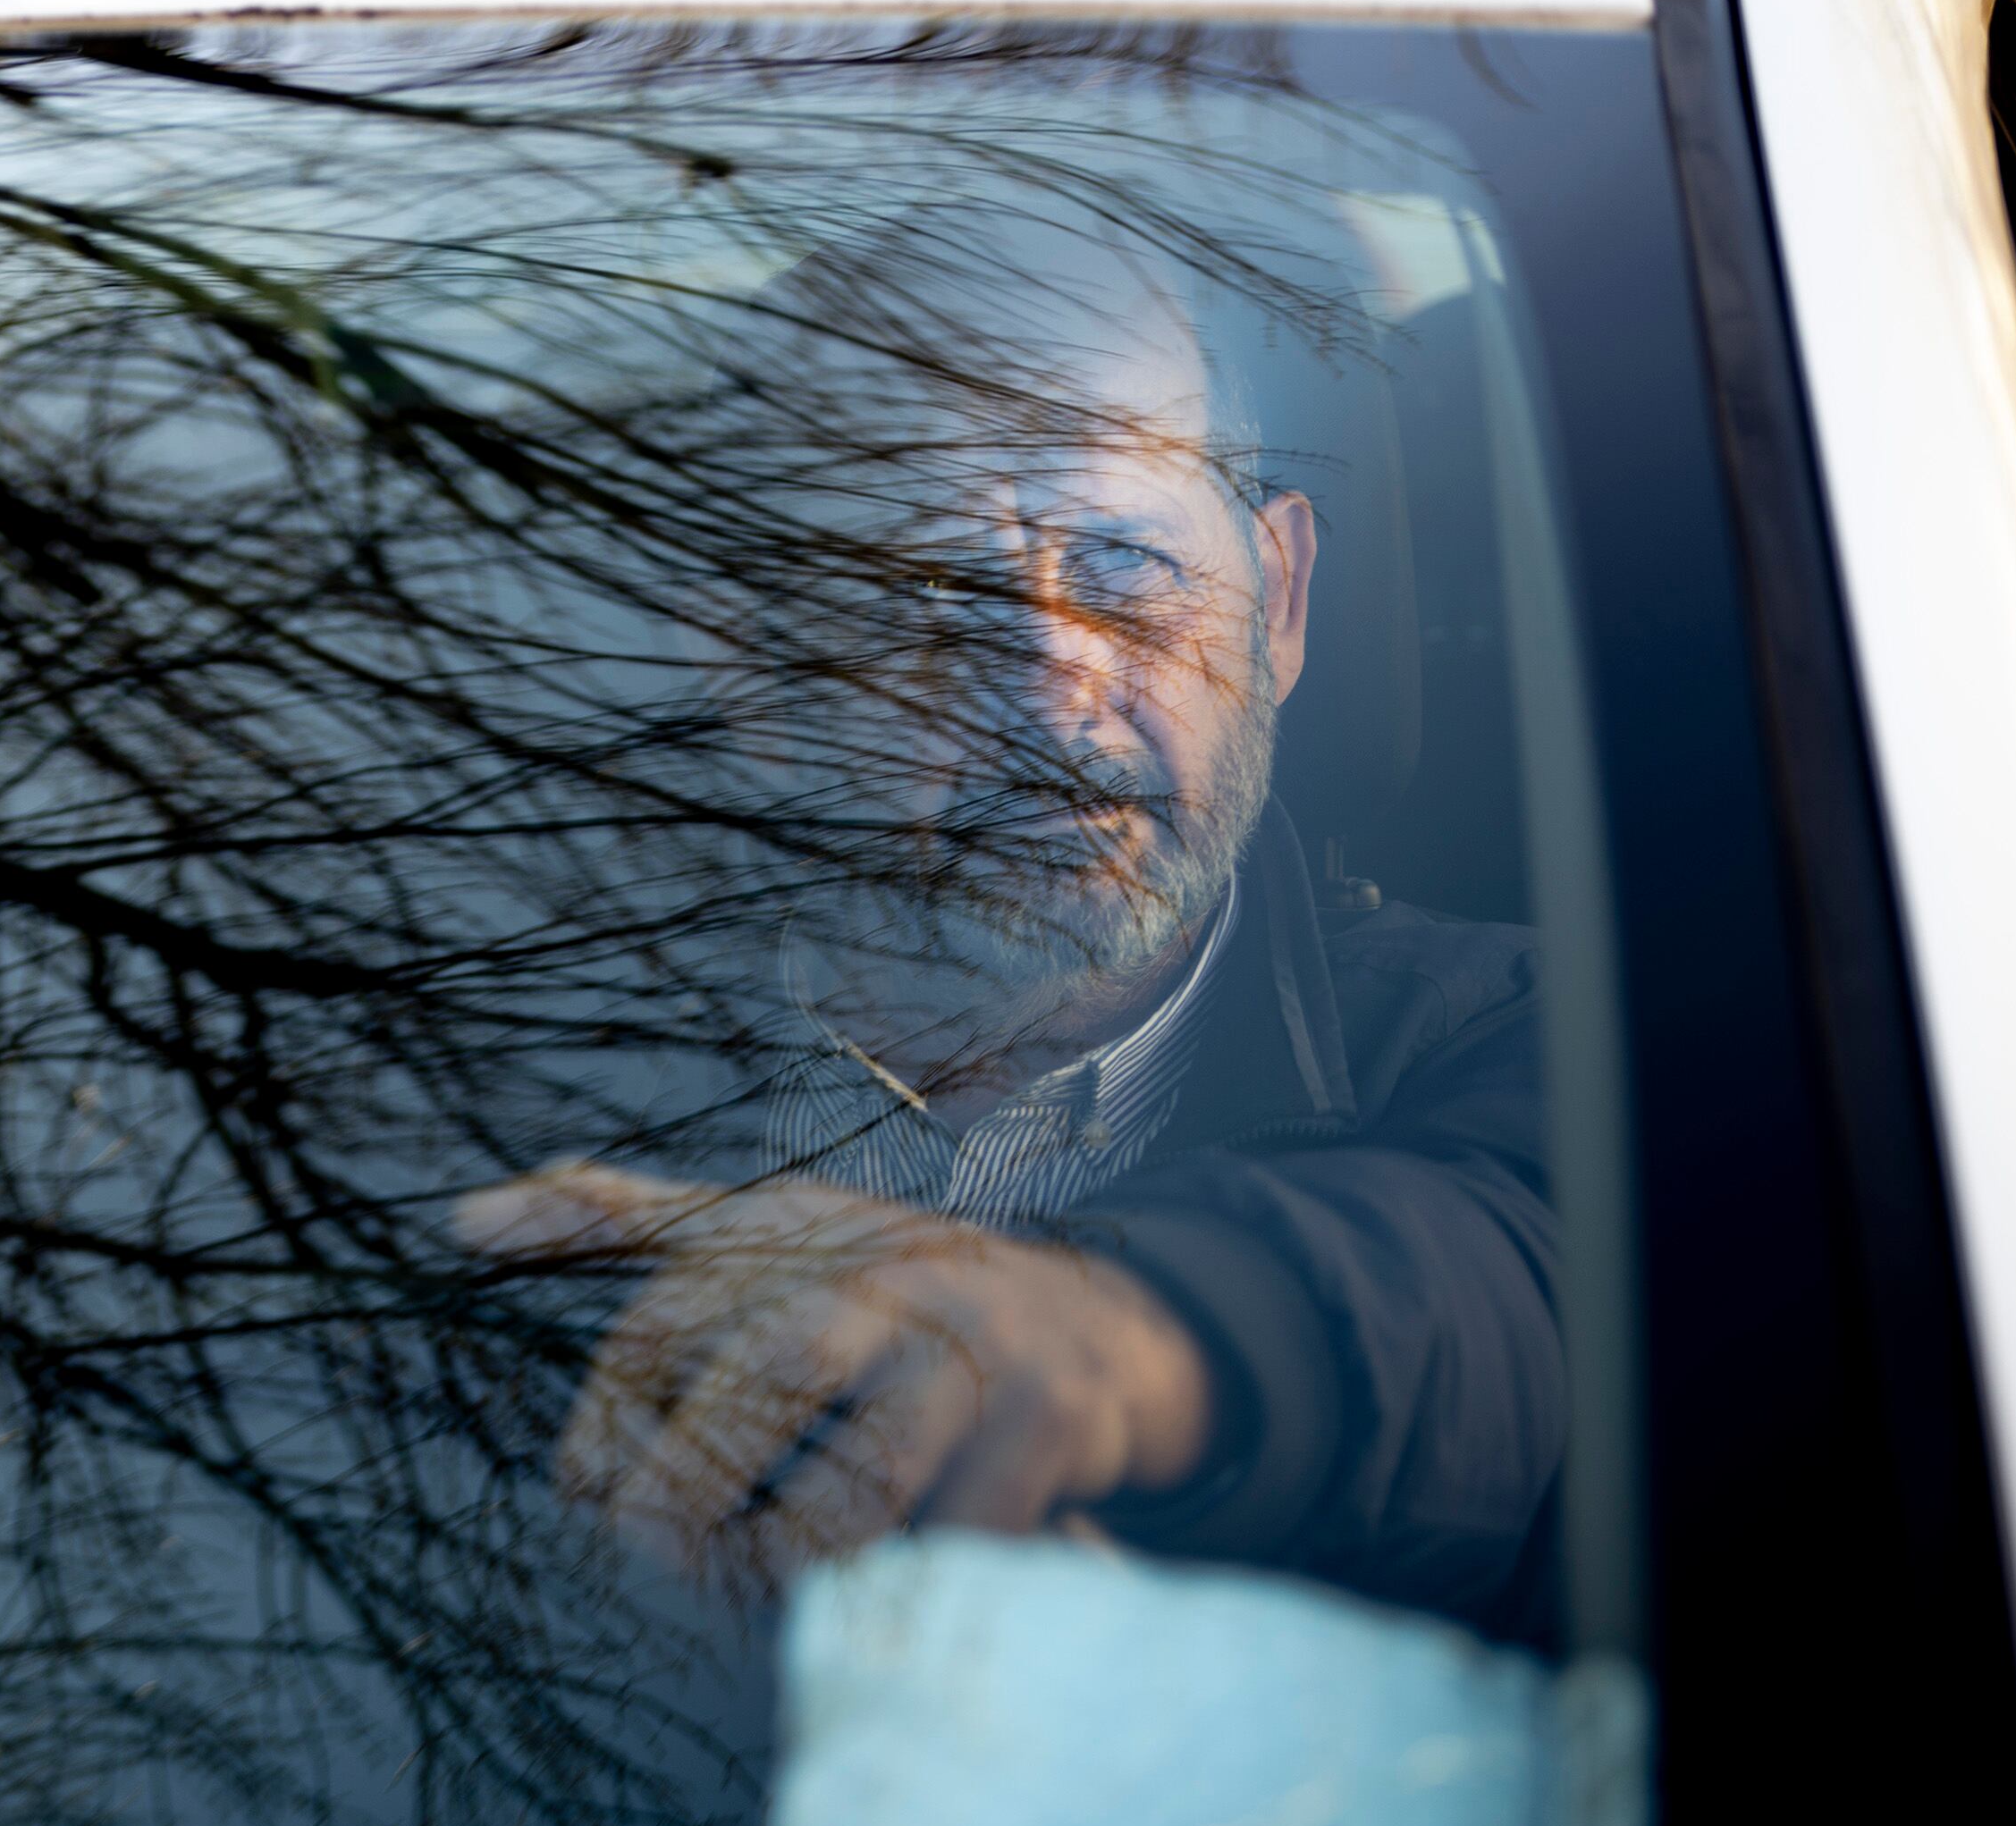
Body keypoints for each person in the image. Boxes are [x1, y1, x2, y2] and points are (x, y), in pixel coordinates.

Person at [456, 264, 1558, 1639]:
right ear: (753, 667)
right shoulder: (494, 1068)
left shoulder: (1538, 1039)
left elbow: (1523, 1280)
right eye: (926, 580)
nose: (1049, 676)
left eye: (1125, 565)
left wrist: (1146, 1339)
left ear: (1277, 600)